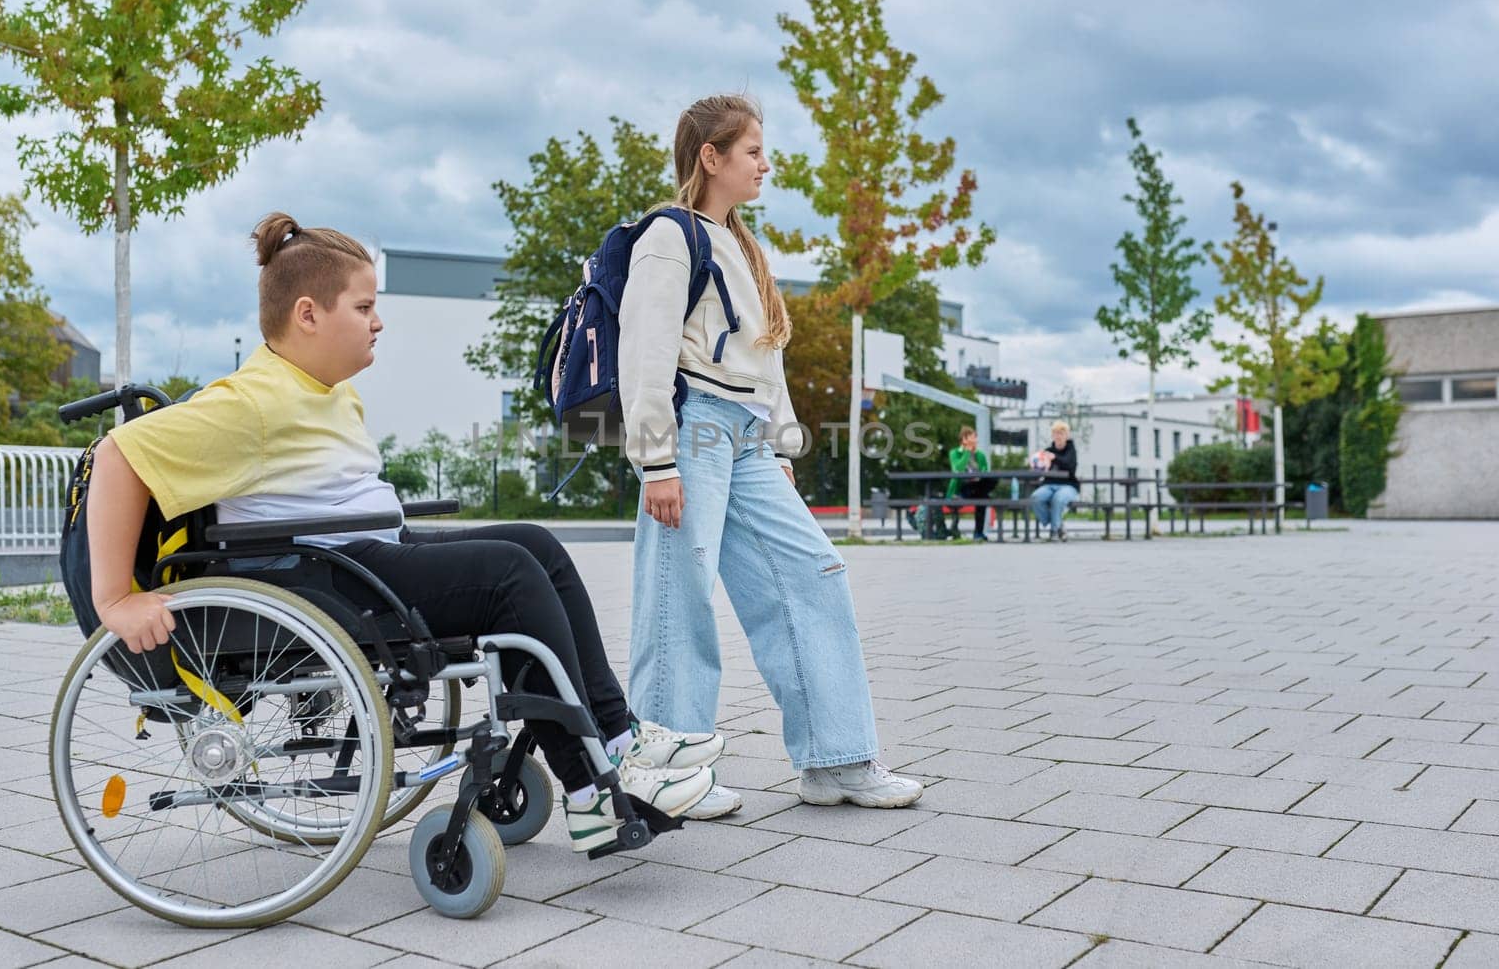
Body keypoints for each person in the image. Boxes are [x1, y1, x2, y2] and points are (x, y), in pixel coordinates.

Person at [85, 212, 720, 854]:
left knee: (535, 544)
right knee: (509, 575)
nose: (378, 321)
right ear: (308, 314)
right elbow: (116, 456)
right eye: (363, 307)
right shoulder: (248, 402)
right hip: (327, 578)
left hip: (364, 553)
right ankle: (593, 789)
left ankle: (617, 733)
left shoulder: (325, 390)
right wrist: (115, 598)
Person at [618, 94, 923, 817]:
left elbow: (767, 359)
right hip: (693, 428)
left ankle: (837, 758)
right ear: (710, 157)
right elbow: (646, 350)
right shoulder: (670, 235)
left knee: (813, 574)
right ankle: (665, 772)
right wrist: (655, 460)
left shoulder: (746, 246)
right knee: (677, 597)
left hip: (748, 438)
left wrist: (782, 443)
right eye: (751, 150)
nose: (764, 162)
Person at [1030, 419, 1080, 541]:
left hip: (1068, 486)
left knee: (1058, 499)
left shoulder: (1071, 450)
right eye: (1055, 433)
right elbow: (1042, 470)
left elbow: (1069, 465)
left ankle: (1054, 531)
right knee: (1035, 498)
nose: (1058, 436)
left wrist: (1055, 457)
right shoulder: (1047, 451)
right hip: (1049, 484)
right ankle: (1058, 524)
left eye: (1061, 433)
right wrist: (1036, 466)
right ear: (1052, 435)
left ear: (1066, 435)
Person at [946, 425, 993, 541]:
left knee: (987, 487)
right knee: (983, 497)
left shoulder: (980, 455)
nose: (976, 440)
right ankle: (978, 534)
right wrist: (967, 452)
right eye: (973, 437)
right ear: (964, 439)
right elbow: (958, 469)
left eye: (975, 437)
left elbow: (985, 471)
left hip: (977, 487)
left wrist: (978, 477)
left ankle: (978, 533)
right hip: (961, 489)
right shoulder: (955, 453)